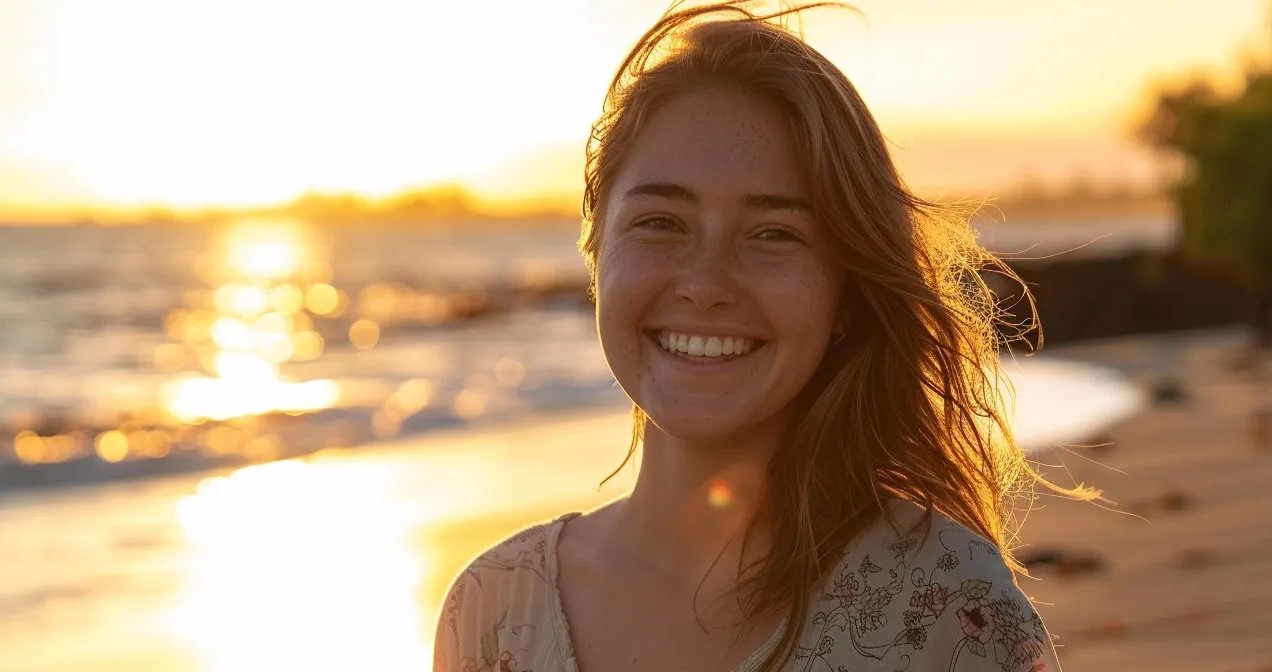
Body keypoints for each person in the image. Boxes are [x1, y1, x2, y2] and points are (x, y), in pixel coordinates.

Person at [433, 2, 1091, 670]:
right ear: (595, 248)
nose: (705, 282)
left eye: (773, 234)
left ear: (845, 292)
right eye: (661, 222)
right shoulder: (494, 609)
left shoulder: (952, 611)